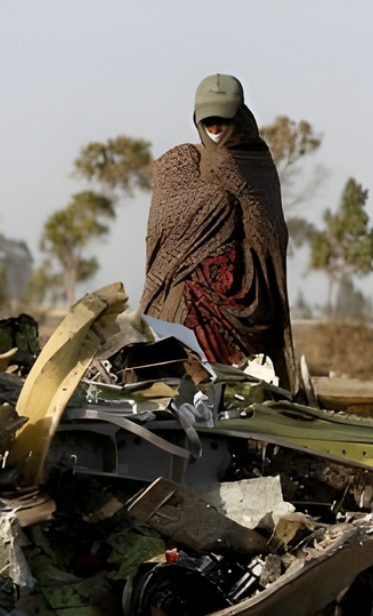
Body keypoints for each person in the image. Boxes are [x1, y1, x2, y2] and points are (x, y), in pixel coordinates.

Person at [139, 73, 299, 393]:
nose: (214, 129)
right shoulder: (180, 163)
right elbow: (162, 234)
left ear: (238, 117)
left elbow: (268, 239)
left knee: (241, 392)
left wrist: (230, 177)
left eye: (222, 120)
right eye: (208, 121)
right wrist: (217, 200)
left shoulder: (257, 166)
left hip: (248, 303)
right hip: (181, 301)